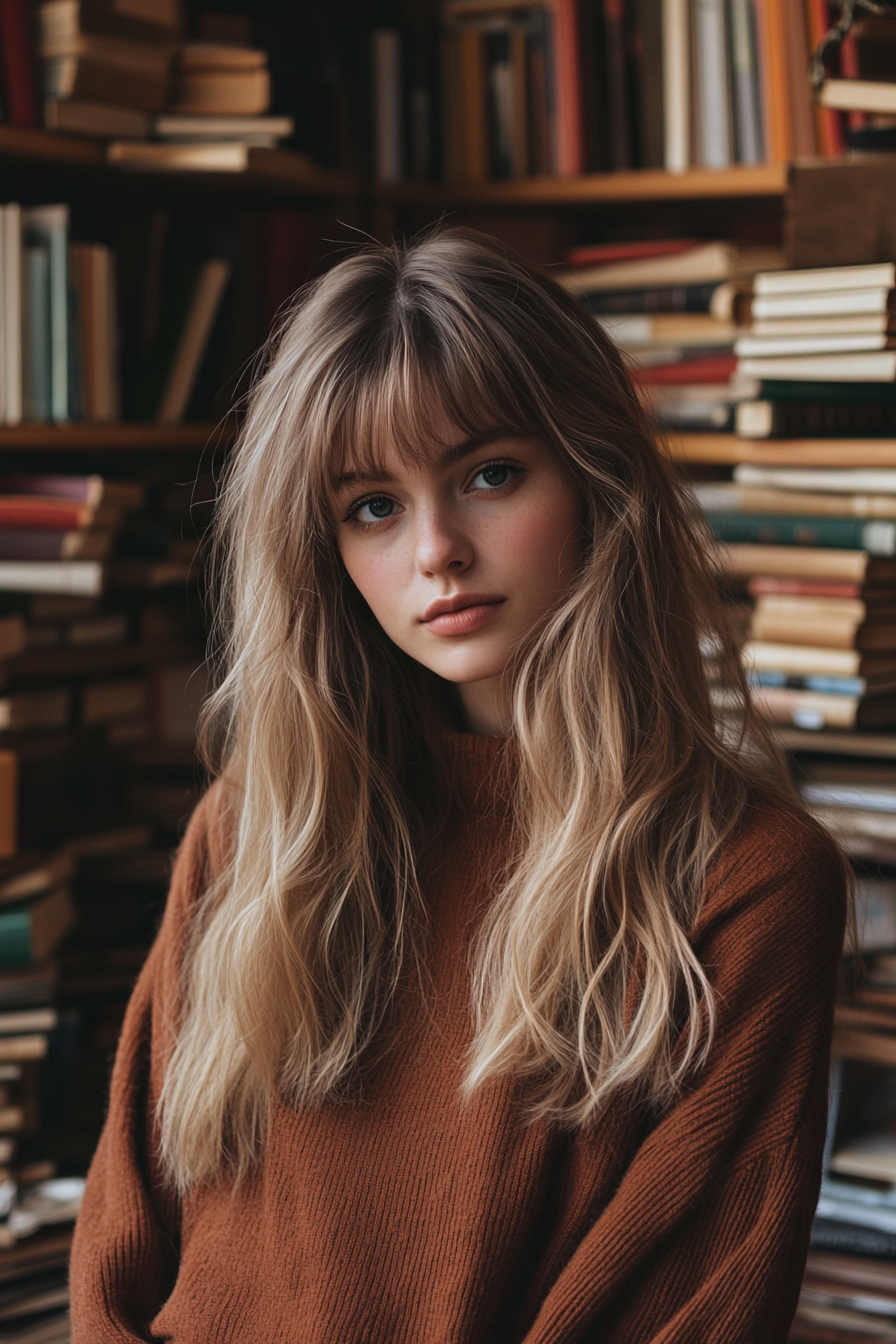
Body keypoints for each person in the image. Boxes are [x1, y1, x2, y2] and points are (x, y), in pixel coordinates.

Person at [70, 227, 848, 1343]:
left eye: (488, 474)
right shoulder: (257, 827)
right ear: (323, 552)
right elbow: (117, 1255)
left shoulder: (748, 884)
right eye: (371, 507)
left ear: (593, 478)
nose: (434, 549)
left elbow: (684, 1315)